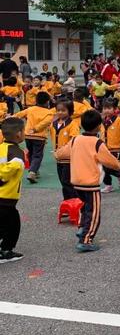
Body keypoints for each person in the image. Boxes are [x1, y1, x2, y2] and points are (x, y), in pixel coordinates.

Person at [55, 110, 120, 252]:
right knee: (94, 213)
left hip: (76, 181)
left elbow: (61, 153)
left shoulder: (75, 140)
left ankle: (82, 228)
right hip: (90, 184)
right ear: (99, 126)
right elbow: (109, 160)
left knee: (85, 208)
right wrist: (119, 165)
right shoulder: (97, 143)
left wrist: (56, 154)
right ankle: (86, 239)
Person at [0, 118, 27, 263]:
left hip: (4, 197)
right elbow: (13, 167)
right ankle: (5, 251)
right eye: (24, 130)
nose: (24, 133)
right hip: (6, 196)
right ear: (18, 134)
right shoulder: (17, 152)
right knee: (12, 224)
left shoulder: (1, 147)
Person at [14, 91, 53, 184]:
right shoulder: (49, 113)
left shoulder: (31, 109)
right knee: (38, 155)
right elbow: (44, 123)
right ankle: (32, 172)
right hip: (39, 137)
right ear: (47, 102)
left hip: (27, 135)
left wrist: (11, 117)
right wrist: (35, 129)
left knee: (31, 153)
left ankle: (34, 169)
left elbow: (20, 114)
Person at [50, 99, 80, 200]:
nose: (60, 112)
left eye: (63, 110)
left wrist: (63, 151)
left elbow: (74, 140)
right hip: (59, 158)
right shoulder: (54, 124)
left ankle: (76, 201)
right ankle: (67, 202)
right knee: (63, 182)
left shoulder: (72, 124)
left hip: (69, 158)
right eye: (58, 110)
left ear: (70, 111)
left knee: (67, 181)